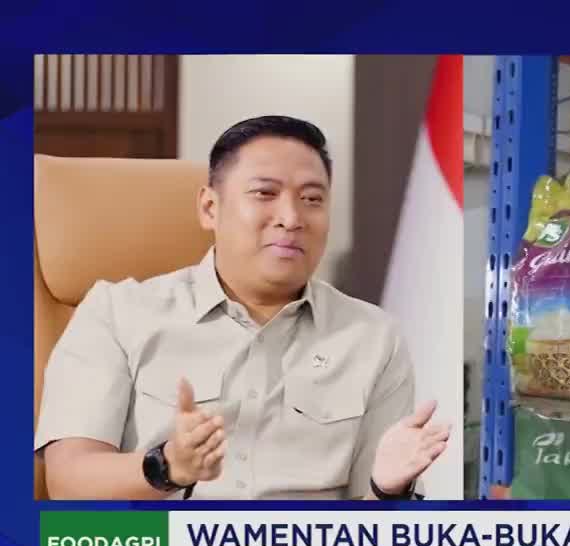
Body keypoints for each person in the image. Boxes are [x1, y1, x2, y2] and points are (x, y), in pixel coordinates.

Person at [35, 115, 450, 500]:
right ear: (209, 208)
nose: (291, 217)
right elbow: (68, 479)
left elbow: (372, 535)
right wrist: (168, 466)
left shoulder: (374, 336)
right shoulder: (117, 313)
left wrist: (388, 488)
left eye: (311, 199)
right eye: (264, 194)